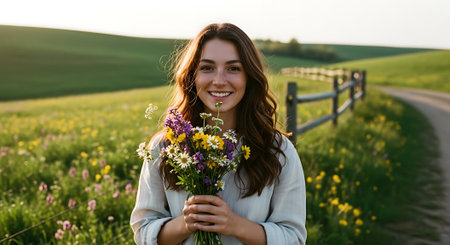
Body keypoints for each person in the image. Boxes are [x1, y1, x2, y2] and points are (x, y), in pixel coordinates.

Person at [130, 23, 307, 245]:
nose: (220, 80)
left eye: (233, 68)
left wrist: (234, 224)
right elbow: (143, 232)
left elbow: (294, 238)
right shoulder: (164, 147)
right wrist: (186, 223)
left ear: (249, 77)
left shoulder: (278, 151)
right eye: (207, 68)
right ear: (192, 76)